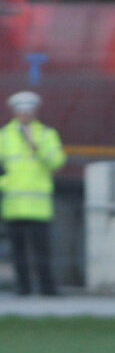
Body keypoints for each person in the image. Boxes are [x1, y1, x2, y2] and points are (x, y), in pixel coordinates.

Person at [0, 91, 65, 296]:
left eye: (28, 111)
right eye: (21, 111)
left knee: (42, 251)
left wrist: (37, 147)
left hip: (39, 206)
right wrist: (5, 183)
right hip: (14, 204)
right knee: (18, 251)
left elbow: (57, 161)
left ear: (35, 112)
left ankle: (47, 288)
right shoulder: (4, 135)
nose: (25, 115)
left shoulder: (46, 134)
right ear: (15, 112)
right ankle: (23, 288)